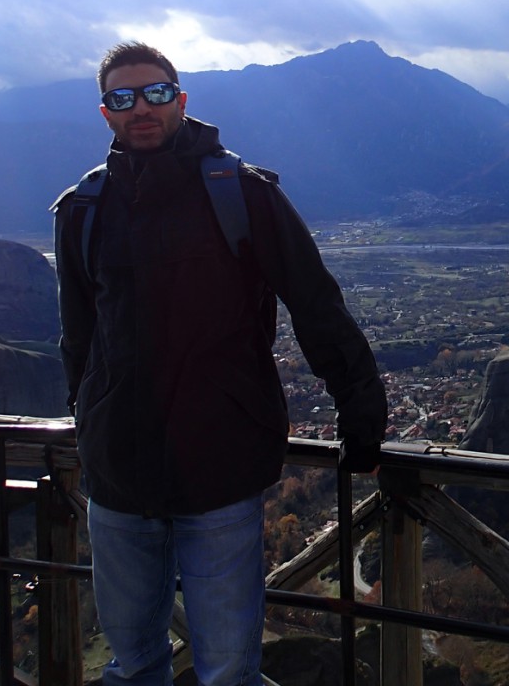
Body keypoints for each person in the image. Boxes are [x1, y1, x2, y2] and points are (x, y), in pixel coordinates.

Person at [53, 41, 387, 686]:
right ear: (105, 112)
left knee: (228, 668)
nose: (141, 108)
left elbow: (316, 306)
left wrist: (362, 418)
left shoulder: (243, 194)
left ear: (180, 101)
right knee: (132, 662)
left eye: (155, 93)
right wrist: (86, 418)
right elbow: (79, 334)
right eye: (123, 97)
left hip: (219, 463)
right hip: (117, 470)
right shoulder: (84, 209)